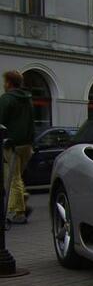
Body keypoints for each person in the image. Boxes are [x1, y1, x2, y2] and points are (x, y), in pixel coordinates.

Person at [0, 70, 35, 224]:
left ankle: (18, 212)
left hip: (11, 143)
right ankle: (23, 201)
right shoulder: (28, 99)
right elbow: (31, 121)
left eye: (5, 81)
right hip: (26, 144)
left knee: (13, 179)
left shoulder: (7, 99)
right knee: (18, 178)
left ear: (9, 82)